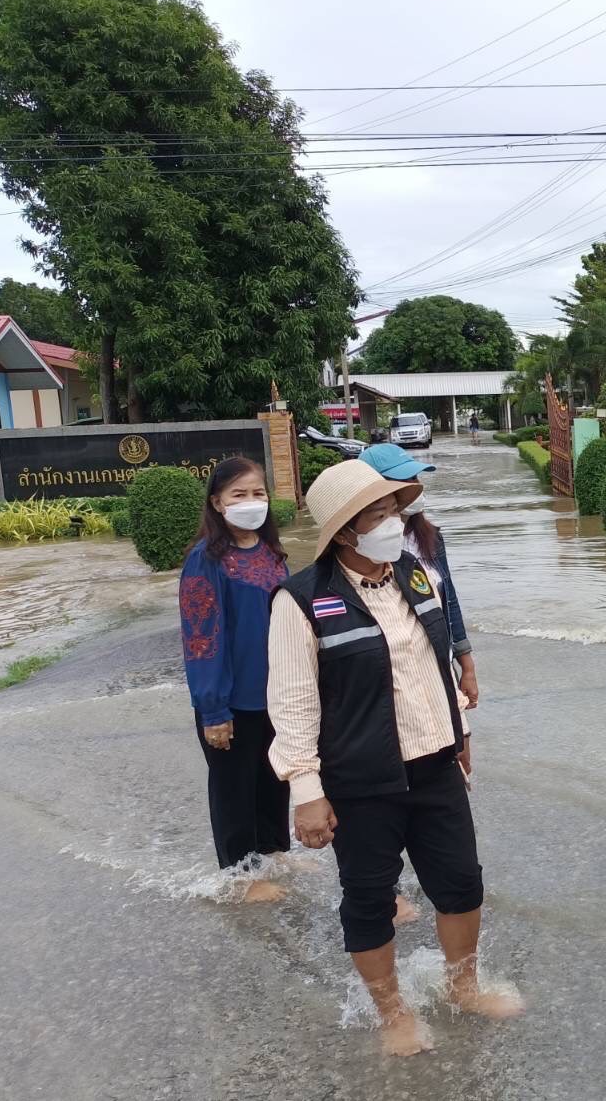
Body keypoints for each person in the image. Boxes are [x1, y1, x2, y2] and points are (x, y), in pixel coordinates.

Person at [267, 459, 522, 1057]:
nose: (395, 524)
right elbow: (293, 702)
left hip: (434, 764)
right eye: (379, 516)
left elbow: (431, 665)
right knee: (370, 900)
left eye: (395, 511)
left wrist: (459, 734)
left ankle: (464, 986)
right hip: (360, 780)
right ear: (344, 530)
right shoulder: (301, 600)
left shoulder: (413, 575)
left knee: (461, 883)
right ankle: (392, 1013)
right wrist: (307, 791)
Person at [179, 456, 291, 901]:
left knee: (272, 778)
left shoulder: (271, 553)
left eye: (258, 493)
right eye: (238, 495)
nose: (251, 502)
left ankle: (273, 851)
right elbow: (201, 637)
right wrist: (213, 708)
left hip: (274, 694)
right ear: (217, 503)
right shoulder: (205, 561)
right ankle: (241, 875)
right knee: (233, 788)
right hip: (229, 699)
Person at [357, 444, 479, 711]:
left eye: (415, 478)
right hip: (390, 679)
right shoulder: (361, 549)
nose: (415, 486)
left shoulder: (430, 538)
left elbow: (450, 602)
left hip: (438, 663)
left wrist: (466, 666)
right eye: (405, 480)